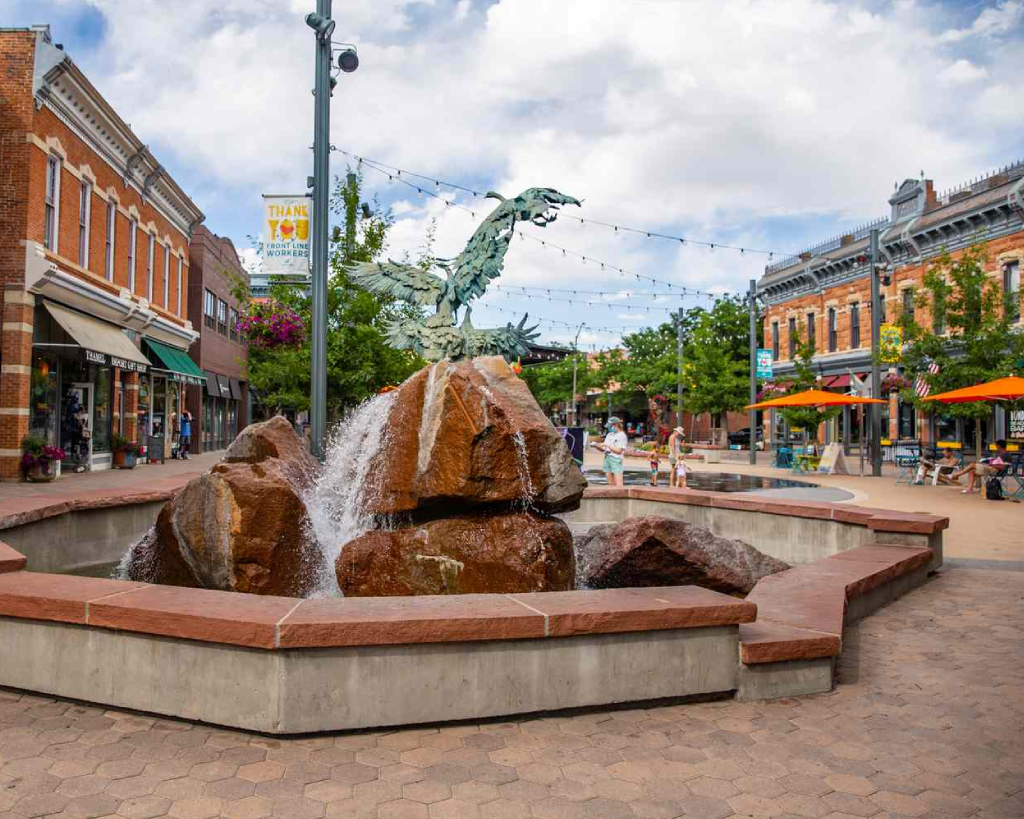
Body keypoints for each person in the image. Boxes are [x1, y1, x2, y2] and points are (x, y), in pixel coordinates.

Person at [590, 416, 628, 486]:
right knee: (610, 483)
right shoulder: (609, 435)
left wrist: (606, 445)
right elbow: (604, 449)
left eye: (610, 426)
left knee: (619, 483)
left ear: (616, 425)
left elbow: (618, 450)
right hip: (607, 457)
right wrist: (596, 446)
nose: (609, 428)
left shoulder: (622, 436)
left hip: (616, 459)